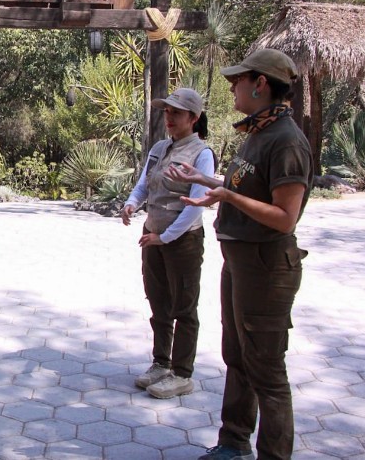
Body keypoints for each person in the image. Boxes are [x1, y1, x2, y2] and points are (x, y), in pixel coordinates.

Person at [168, 49, 313, 460]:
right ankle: (233, 442)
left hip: (266, 268)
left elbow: (284, 217)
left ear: (260, 84)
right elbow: (247, 190)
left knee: (266, 369)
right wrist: (205, 180)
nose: (232, 88)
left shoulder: (286, 141)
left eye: (238, 81)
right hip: (240, 262)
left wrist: (228, 196)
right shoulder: (259, 133)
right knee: (237, 356)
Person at [121, 88, 215, 399]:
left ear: (194, 118)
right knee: (158, 302)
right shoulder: (160, 148)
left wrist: (165, 237)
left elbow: (196, 205)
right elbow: (144, 183)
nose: (170, 117)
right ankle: (161, 363)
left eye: (177, 112)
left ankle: (182, 373)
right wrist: (132, 203)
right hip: (152, 236)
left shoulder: (201, 154)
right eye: (167, 111)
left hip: (182, 241)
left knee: (183, 307)